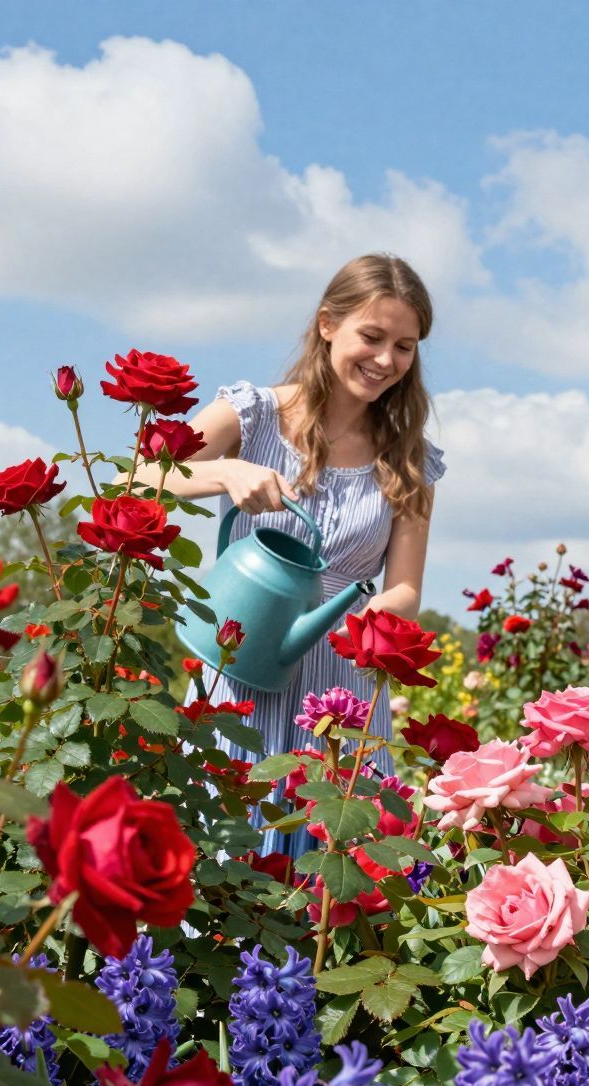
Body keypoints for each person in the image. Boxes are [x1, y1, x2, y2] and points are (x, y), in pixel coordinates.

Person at [166, 254, 443, 850]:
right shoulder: (254, 413)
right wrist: (228, 473)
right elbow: (141, 474)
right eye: (372, 336)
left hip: (339, 687)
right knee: (224, 857)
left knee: (329, 883)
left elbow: (406, 587)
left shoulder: (409, 459)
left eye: (405, 345)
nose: (386, 360)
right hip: (238, 674)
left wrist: (364, 622)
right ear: (327, 324)